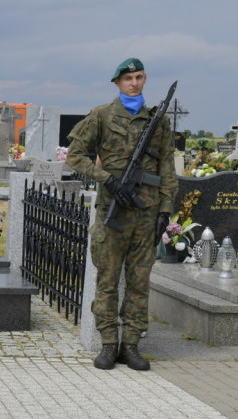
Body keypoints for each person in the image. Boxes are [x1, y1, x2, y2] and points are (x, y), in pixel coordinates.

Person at [66, 57, 177, 371]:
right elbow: (75, 156)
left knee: (140, 282)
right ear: (117, 82)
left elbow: (167, 169)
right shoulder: (102, 116)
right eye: (129, 78)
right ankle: (108, 344)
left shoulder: (158, 122)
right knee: (108, 281)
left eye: (140, 77)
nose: (135, 83)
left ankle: (131, 345)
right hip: (112, 215)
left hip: (146, 214)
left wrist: (164, 212)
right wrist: (108, 179)